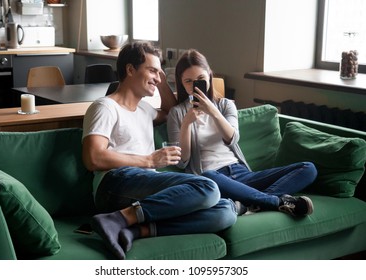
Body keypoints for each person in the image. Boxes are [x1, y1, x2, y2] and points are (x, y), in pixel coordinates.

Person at [81, 42, 237, 260]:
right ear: (130, 69)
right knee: (207, 186)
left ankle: (133, 228)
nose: (158, 76)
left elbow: (170, 109)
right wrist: (148, 161)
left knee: (225, 211)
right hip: (114, 183)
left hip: (143, 186)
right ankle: (118, 219)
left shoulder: (145, 109)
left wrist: (159, 80)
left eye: (159, 72)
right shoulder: (105, 107)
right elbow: (93, 158)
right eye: (152, 70)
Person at [166, 49, 318, 217]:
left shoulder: (225, 105)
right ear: (181, 83)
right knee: (209, 176)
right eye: (188, 81)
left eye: (200, 79)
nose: (195, 85)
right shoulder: (177, 114)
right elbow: (182, 162)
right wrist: (187, 124)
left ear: (209, 76)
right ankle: (276, 202)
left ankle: (251, 203)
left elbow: (232, 138)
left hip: (242, 173)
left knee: (308, 168)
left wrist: (213, 112)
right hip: (215, 179)